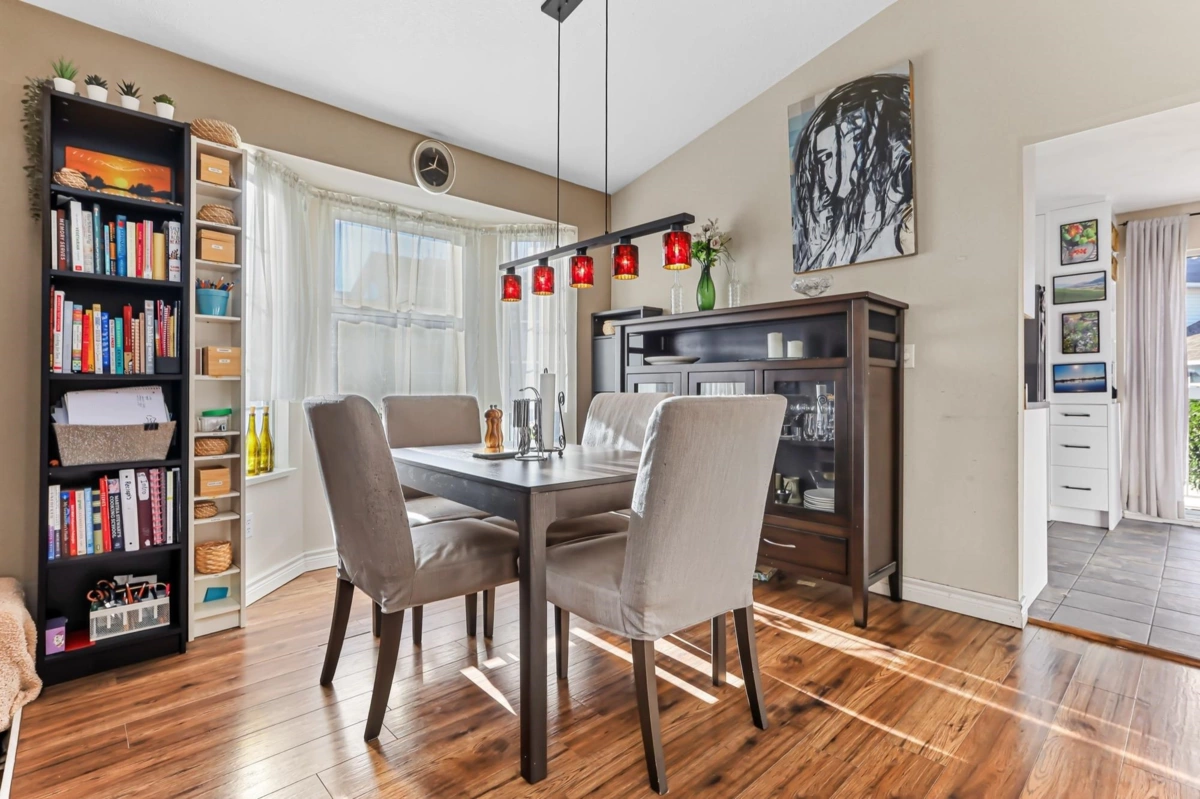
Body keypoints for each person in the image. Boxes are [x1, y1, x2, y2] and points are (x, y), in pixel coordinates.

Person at [791, 72, 914, 273]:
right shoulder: (834, 235)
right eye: (826, 157)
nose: (841, 167)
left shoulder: (905, 226)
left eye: (857, 141)